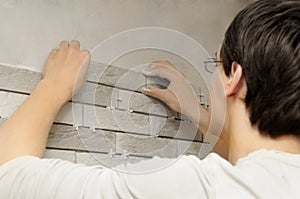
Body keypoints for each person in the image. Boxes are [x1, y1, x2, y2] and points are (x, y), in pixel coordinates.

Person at [0, 0, 299, 198]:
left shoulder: (188, 187)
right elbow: (255, 156)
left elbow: (9, 175)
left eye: (214, 63)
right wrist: (193, 110)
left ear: (234, 77)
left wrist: (54, 85)